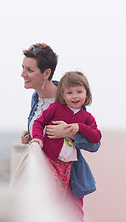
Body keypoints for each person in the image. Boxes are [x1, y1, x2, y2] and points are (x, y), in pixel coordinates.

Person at [20, 43, 101, 221]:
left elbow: (95, 143)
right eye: (23, 68)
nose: (22, 74)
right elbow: (41, 125)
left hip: (69, 175)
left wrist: (69, 133)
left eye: (29, 70)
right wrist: (31, 136)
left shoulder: (69, 100)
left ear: (46, 73)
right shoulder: (36, 98)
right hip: (46, 172)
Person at [29, 71, 102, 199]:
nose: (75, 96)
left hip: (67, 165)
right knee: (48, 195)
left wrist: (80, 127)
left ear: (86, 93)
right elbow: (38, 122)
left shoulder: (87, 117)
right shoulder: (56, 108)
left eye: (79, 92)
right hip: (49, 160)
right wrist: (37, 138)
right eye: (69, 93)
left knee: (60, 199)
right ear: (62, 95)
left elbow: (96, 137)